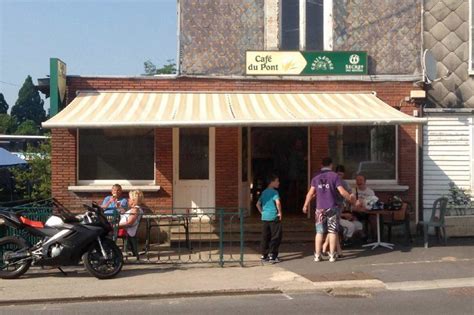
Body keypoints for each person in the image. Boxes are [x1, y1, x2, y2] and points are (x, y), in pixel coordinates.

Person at [303, 157, 355, 262]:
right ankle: (332, 255)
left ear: (321, 165)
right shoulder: (334, 176)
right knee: (332, 231)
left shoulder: (316, 177)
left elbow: (310, 193)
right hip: (332, 207)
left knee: (319, 232)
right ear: (331, 165)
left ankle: (317, 255)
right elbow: (341, 191)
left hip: (319, 208)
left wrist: (305, 205)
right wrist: (350, 199)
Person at [256, 173, 283, 264]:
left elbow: (258, 204)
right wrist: (279, 212)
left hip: (265, 217)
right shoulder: (274, 192)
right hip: (273, 216)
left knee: (265, 236)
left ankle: (264, 254)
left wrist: (262, 212)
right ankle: (273, 255)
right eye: (277, 181)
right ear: (272, 182)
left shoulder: (264, 192)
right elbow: (278, 203)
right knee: (275, 236)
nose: (278, 183)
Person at [352, 174, 377, 240]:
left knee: (374, 218)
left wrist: (364, 208)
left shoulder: (370, 192)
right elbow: (351, 203)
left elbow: (372, 204)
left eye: (360, 180)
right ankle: (363, 236)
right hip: (356, 211)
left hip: (367, 211)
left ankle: (374, 237)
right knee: (352, 217)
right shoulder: (353, 191)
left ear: (365, 181)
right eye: (357, 180)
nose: (359, 182)